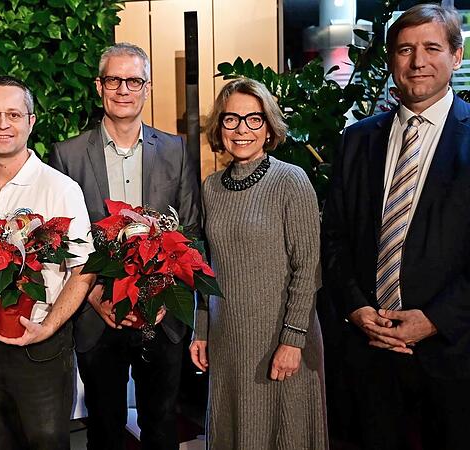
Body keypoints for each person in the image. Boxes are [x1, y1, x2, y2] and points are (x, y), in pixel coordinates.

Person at [321, 4, 470, 449]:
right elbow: (335, 238)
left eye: (431, 48)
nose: (417, 61)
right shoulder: (358, 138)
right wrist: (356, 309)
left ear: (456, 56)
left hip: (453, 355)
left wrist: (433, 321)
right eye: (405, 50)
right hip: (369, 354)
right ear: (390, 61)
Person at [50, 42, 200, 450]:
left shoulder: (175, 149)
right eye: (114, 80)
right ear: (100, 86)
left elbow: (189, 230)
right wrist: (96, 296)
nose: (123, 89)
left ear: (147, 87)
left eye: (134, 80)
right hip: (99, 314)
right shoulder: (67, 155)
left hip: (161, 313)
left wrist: (165, 296)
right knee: (104, 426)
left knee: (162, 424)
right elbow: (65, 241)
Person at [0, 76, 95, 450]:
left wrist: (48, 326)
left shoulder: (60, 188)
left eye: (13, 114)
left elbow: (84, 268)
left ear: (31, 122)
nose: (3, 125)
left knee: (46, 443)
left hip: (43, 347)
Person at [191, 77, 327, 449]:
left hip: (280, 339)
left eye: (253, 119)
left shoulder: (291, 180)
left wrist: (292, 340)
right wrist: (201, 330)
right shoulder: (211, 187)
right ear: (220, 126)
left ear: (268, 127)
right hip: (228, 339)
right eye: (231, 119)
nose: (241, 130)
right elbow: (207, 266)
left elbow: (308, 268)